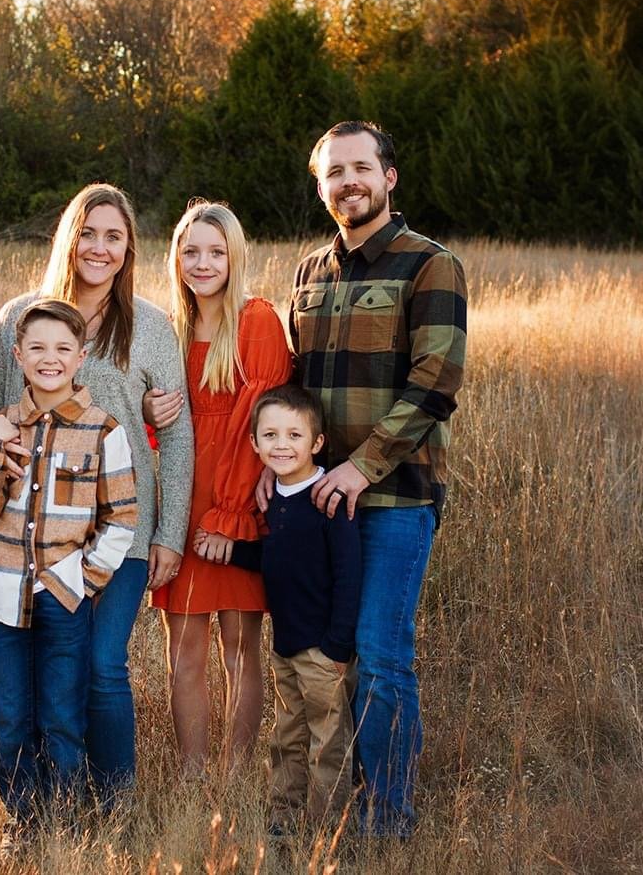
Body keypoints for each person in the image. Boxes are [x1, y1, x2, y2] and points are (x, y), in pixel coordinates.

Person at [0, 183, 194, 804]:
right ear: (69, 237)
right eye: (88, 232)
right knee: (37, 680)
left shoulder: (149, 326)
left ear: (128, 248)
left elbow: (176, 436)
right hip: (33, 533)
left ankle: (112, 803)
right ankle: (45, 805)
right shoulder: (19, 317)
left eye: (113, 237)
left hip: (121, 529)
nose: (99, 247)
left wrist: (170, 533)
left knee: (101, 666)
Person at [268, 121, 468, 837]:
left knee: (382, 656)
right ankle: (328, 805)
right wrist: (282, 468)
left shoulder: (430, 265)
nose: (347, 182)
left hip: (393, 496)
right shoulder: (309, 272)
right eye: (334, 172)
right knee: (329, 657)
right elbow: (294, 388)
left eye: (360, 167)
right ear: (321, 187)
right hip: (319, 500)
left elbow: (436, 381)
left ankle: (387, 820)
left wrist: (361, 466)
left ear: (389, 177)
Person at [0, 300, 138, 845]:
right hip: (2, 594)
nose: (50, 358)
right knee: (11, 717)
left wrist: (82, 581)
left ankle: (63, 824)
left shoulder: (103, 430)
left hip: (64, 599)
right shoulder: (0, 426)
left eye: (63, 348)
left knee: (61, 716)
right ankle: (23, 822)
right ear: (18, 355)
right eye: (37, 347)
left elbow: (121, 518)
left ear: (81, 357)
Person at [146, 201, 292, 777]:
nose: (202, 263)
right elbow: (158, 429)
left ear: (235, 257)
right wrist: (148, 409)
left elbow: (261, 426)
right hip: (182, 505)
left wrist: (229, 518)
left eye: (215, 252)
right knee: (183, 651)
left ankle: (234, 776)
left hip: (237, 506)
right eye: (191, 251)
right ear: (176, 258)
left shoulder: (256, 320)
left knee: (239, 649)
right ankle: (192, 774)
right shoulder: (168, 330)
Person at [199, 384, 361, 834]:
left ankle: (326, 832)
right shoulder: (275, 500)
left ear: (317, 442)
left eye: (294, 435)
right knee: (287, 737)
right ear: (254, 443)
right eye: (270, 435)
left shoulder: (329, 500)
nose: (282, 445)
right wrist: (231, 550)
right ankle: (284, 821)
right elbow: (276, 557)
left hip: (324, 651)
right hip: (286, 647)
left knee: (327, 742)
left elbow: (349, 577)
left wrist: (338, 646)